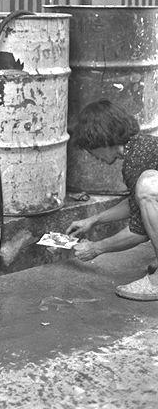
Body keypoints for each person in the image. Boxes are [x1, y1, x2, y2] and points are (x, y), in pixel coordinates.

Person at [65, 99, 158, 301]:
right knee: (146, 189)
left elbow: (139, 231)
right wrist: (94, 220)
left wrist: (96, 248)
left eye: (90, 147)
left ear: (103, 140)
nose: (91, 155)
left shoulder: (137, 159)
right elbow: (138, 205)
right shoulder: (141, 148)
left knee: (148, 187)